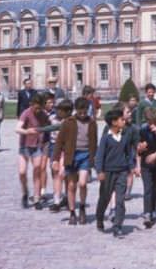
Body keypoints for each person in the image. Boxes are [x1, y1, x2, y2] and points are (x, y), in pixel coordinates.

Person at [53, 96, 98, 225]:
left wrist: (94, 157)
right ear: (76, 110)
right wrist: (56, 159)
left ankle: (82, 207)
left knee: (83, 183)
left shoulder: (92, 122)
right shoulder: (68, 122)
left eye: (85, 112)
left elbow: (94, 142)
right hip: (72, 155)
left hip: (85, 155)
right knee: (71, 185)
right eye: (80, 112)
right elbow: (59, 142)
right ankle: (72, 212)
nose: (83, 115)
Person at [95, 108, 137, 237]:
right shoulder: (106, 138)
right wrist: (100, 171)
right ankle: (100, 218)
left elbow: (129, 154)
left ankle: (118, 225)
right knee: (105, 198)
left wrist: (132, 167)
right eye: (121, 119)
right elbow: (100, 155)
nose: (124, 121)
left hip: (122, 172)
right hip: (108, 172)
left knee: (120, 200)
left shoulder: (124, 137)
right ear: (114, 122)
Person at [15, 92, 45, 209]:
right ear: (32, 104)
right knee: (22, 172)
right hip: (24, 146)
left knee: (37, 171)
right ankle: (25, 192)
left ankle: (37, 198)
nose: (38, 110)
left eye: (40, 108)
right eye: (36, 108)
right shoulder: (26, 113)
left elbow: (48, 126)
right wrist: (27, 131)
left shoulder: (43, 114)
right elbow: (17, 128)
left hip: (37, 146)